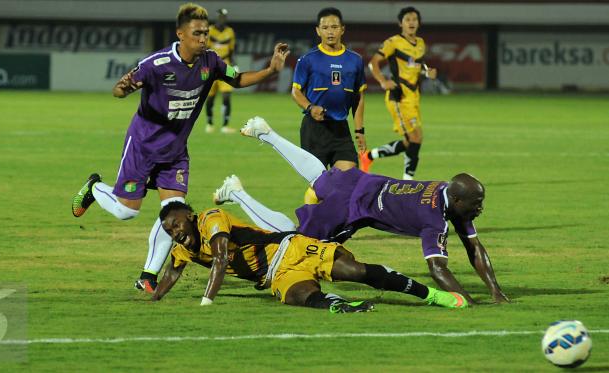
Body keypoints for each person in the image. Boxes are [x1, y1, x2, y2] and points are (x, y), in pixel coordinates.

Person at [71, 3, 290, 293]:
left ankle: (148, 275)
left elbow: (236, 79)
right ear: (181, 34)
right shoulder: (156, 64)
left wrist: (271, 70)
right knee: (127, 212)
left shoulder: (210, 61)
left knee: (174, 214)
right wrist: (123, 88)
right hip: (143, 147)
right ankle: (95, 188)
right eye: (197, 33)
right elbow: (119, 89)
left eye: (206, 33)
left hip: (174, 152)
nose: (203, 39)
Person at [212, 116, 509, 305]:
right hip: (354, 206)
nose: (480, 209)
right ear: (458, 202)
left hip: (362, 180)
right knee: (292, 239)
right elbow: (437, 268)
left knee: (319, 178)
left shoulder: (448, 189)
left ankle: (267, 134)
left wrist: (495, 290)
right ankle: (237, 192)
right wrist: (464, 299)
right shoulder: (435, 219)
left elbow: (474, 246)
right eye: (476, 204)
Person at [151, 201, 467, 312]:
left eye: (177, 223)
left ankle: (433, 295)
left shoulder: (211, 218)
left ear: (191, 216)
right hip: (275, 275)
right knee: (300, 296)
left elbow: (220, 258)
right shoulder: (183, 249)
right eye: (169, 230)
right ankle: (340, 306)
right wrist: (155, 299)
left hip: (292, 248)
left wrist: (207, 301)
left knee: (354, 271)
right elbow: (171, 273)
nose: (175, 232)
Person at [291, 7, 367, 203]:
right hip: (314, 130)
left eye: (334, 27)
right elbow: (295, 92)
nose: (330, 31)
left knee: (350, 181)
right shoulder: (308, 59)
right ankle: (310, 225)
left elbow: (358, 98)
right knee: (319, 186)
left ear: (342, 29)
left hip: (340, 129)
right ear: (318, 31)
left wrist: (359, 131)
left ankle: (338, 228)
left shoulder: (355, 60)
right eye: (325, 27)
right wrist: (310, 108)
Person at [359, 6, 437, 180]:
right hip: (398, 96)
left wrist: (427, 72)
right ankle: (407, 182)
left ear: (419, 23)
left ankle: (369, 156)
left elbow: (417, 66)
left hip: (414, 97)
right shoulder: (393, 42)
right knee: (416, 137)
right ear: (400, 23)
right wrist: (382, 81)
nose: (411, 22)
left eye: (414, 19)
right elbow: (373, 63)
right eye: (407, 19)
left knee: (410, 141)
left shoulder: (421, 43)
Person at [205, 8, 237, 134]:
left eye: (224, 17)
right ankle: (209, 123)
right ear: (217, 17)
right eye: (220, 17)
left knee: (226, 96)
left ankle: (225, 125)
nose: (222, 19)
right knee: (209, 97)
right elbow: (204, 50)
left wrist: (234, 64)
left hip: (226, 66)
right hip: (211, 67)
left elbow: (231, 50)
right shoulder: (210, 31)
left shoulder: (230, 31)